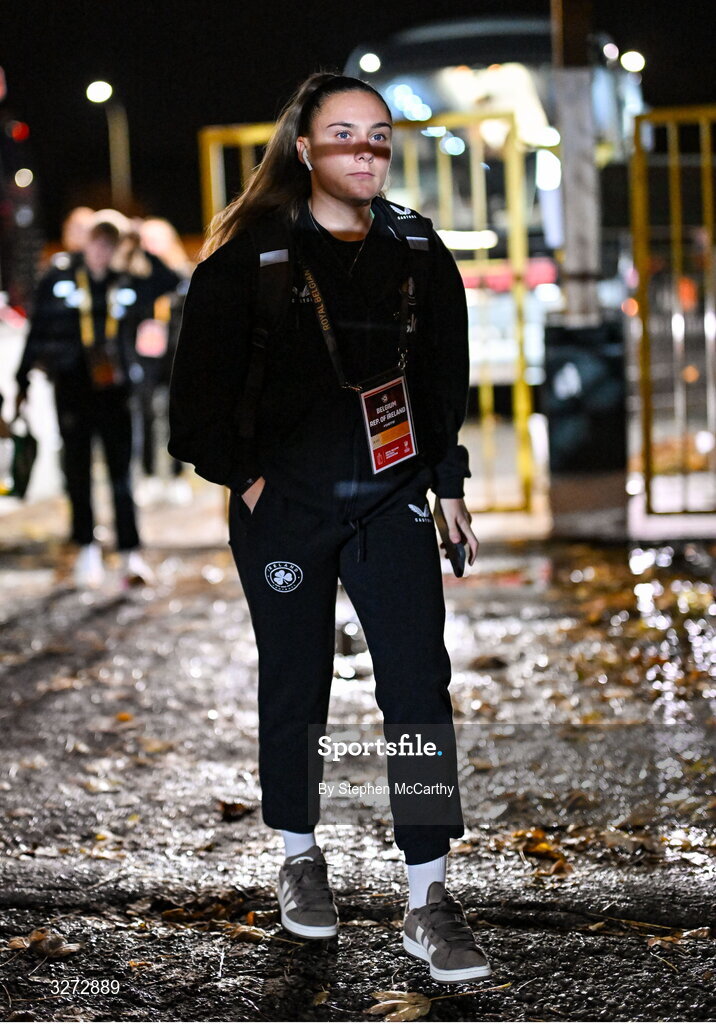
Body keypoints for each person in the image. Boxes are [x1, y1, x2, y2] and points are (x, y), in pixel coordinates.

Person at [168, 72, 491, 983]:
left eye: (379, 136)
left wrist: (446, 484)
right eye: (344, 134)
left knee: (419, 690)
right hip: (287, 514)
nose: (366, 151)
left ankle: (429, 896)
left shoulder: (418, 249)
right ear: (303, 149)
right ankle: (299, 858)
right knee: (297, 683)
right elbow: (192, 408)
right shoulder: (252, 260)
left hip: (389, 503)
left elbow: (440, 385)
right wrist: (251, 479)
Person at [14, 213, 180, 587]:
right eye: (98, 240)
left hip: (118, 390)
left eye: (112, 241)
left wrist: (137, 243)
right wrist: (22, 380)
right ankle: (86, 546)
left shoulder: (130, 278)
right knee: (77, 470)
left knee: (123, 473)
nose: (103, 249)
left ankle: (129, 551)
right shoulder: (59, 277)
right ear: (87, 241)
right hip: (73, 388)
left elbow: (173, 281)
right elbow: (37, 330)